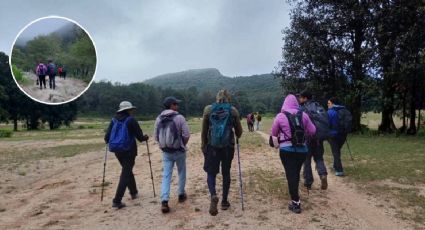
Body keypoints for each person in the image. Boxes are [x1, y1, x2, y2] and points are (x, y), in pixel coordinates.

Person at [270, 94, 316, 214]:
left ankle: (296, 202)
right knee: (295, 172)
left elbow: (274, 134)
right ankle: (295, 194)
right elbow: (313, 131)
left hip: (286, 150)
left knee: (291, 175)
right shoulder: (304, 115)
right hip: (302, 150)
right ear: (296, 103)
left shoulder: (280, 116)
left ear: (285, 103)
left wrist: (276, 145)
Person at [201, 89, 243, 216]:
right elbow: (239, 132)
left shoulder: (208, 110)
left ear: (216, 98)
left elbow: (204, 131)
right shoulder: (233, 110)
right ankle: (224, 201)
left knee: (211, 173)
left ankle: (213, 195)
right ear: (228, 98)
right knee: (226, 173)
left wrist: (203, 145)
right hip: (227, 147)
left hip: (212, 147)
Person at [104, 101, 149, 209]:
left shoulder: (113, 120)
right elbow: (140, 137)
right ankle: (117, 200)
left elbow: (106, 138)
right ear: (128, 110)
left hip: (117, 151)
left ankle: (133, 192)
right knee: (125, 173)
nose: (132, 111)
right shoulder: (131, 120)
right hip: (129, 151)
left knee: (127, 171)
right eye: (131, 109)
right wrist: (145, 137)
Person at [154, 96, 190, 214]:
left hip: (166, 152)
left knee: (166, 176)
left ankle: (164, 201)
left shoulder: (158, 119)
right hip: (179, 151)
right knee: (181, 172)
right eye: (176, 104)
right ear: (172, 106)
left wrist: (163, 145)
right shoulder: (180, 117)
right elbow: (186, 134)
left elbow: (156, 137)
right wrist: (181, 144)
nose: (177, 106)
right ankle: (181, 194)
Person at [298, 91, 328, 190]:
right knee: (319, 158)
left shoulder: (302, 109)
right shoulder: (318, 106)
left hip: (308, 139)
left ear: (305, 98)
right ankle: (323, 174)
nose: (299, 99)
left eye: (301, 98)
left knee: (306, 161)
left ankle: (308, 182)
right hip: (319, 138)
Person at [327, 97, 349, 177]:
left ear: (333, 104)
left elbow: (327, 124)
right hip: (343, 135)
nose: (328, 105)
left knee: (335, 152)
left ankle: (339, 170)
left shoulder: (330, 112)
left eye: (329, 103)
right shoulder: (345, 110)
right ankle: (335, 165)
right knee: (337, 150)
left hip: (333, 135)